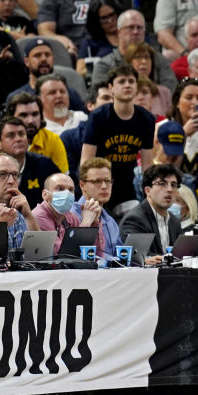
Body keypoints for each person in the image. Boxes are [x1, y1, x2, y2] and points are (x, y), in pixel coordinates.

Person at [81, 64, 155, 212]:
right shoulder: (98, 117)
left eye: (131, 81)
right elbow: (86, 161)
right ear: (111, 88)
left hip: (126, 184)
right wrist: (87, 191)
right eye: (121, 81)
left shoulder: (146, 119)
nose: (127, 85)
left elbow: (148, 166)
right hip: (98, 182)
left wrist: (151, 195)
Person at [0, 92, 69, 173]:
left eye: (35, 114)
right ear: (11, 117)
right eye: (23, 115)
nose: (30, 121)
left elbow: (63, 180)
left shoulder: (52, 140)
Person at [91, 9, 177, 91]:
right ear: (119, 32)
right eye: (130, 27)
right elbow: (100, 95)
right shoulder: (104, 65)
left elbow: (170, 91)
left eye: (139, 28)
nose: (135, 32)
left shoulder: (158, 59)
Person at [119, 163, 184, 262]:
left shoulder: (174, 222)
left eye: (173, 185)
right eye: (162, 183)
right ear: (147, 190)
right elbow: (136, 257)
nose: (170, 189)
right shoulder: (135, 219)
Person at [32, 172, 102, 255]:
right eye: (60, 189)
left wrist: (95, 222)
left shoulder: (71, 217)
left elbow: (97, 255)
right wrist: (85, 223)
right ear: (45, 194)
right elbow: (65, 255)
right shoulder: (38, 216)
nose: (67, 193)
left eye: (71, 190)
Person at [0, 152, 39, 249]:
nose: (11, 181)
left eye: (15, 174)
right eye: (2, 174)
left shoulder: (20, 211)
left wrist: (29, 216)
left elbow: (40, 256)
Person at [74, 157, 121, 258]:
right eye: (97, 181)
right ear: (82, 185)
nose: (104, 186)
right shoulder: (71, 215)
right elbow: (71, 254)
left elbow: (121, 257)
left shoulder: (110, 221)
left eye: (108, 181)